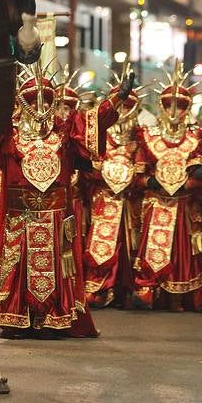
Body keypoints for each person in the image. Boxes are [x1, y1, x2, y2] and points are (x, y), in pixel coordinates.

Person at [0, 64, 123, 338]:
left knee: (56, 265)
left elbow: (94, 122)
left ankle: (51, 317)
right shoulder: (7, 133)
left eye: (46, 99)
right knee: (17, 262)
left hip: (56, 216)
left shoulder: (66, 132)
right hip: (18, 214)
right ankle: (16, 317)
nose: (40, 106)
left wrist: (115, 100)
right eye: (33, 99)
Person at [132, 61, 202, 311]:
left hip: (185, 204)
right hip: (158, 202)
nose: (174, 111)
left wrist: (190, 181)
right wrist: (150, 181)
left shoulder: (196, 138)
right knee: (153, 247)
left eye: (180, 106)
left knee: (184, 249)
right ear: (161, 107)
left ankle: (182, 293)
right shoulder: (149, 137)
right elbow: (138, 171)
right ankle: (149, 289)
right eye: (169, 105)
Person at [80, 67, 145, 309]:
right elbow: (87, 164)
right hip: (103, 198)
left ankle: (129, 288)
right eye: (121, 105)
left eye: (129, 105)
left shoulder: (142, 136)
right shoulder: (100, 134)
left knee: (132, 244)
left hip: (130, 201)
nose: (124, 111)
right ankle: (98, 286)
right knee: (100, 243)